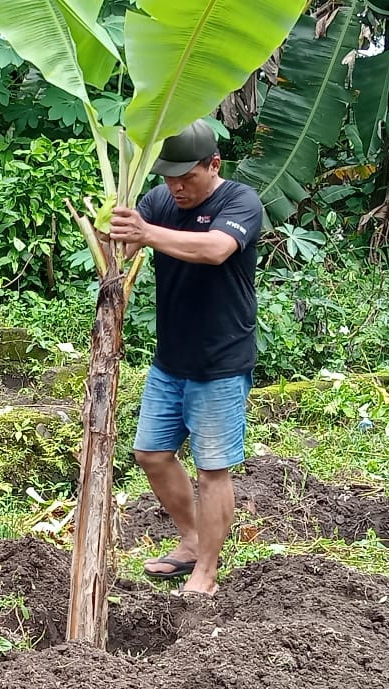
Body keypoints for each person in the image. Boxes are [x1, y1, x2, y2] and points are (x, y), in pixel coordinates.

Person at [108, 119, 263, 597]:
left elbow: (216, 249)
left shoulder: (240, 202)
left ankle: (207, 573)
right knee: (150, 454)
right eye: (168, 177)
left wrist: (148, 233)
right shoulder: (159, 201)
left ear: (213, 165)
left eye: (186, 177)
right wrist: (116, 229)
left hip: (220, 362)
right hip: (169, 360)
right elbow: (132, 241)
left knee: (212, 468)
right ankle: (192, 540)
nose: (175, 186)